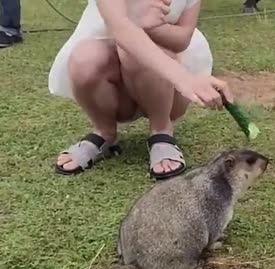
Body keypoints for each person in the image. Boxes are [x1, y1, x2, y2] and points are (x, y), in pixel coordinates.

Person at [48, 0, 234, 180]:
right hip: (114, 88)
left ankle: (161, 130)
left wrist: (151, 27)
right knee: (85, 57)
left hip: (163, 90)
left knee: (138, 52)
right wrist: (185, 79)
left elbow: (183, 39)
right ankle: (104, 133)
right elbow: (120, 27)